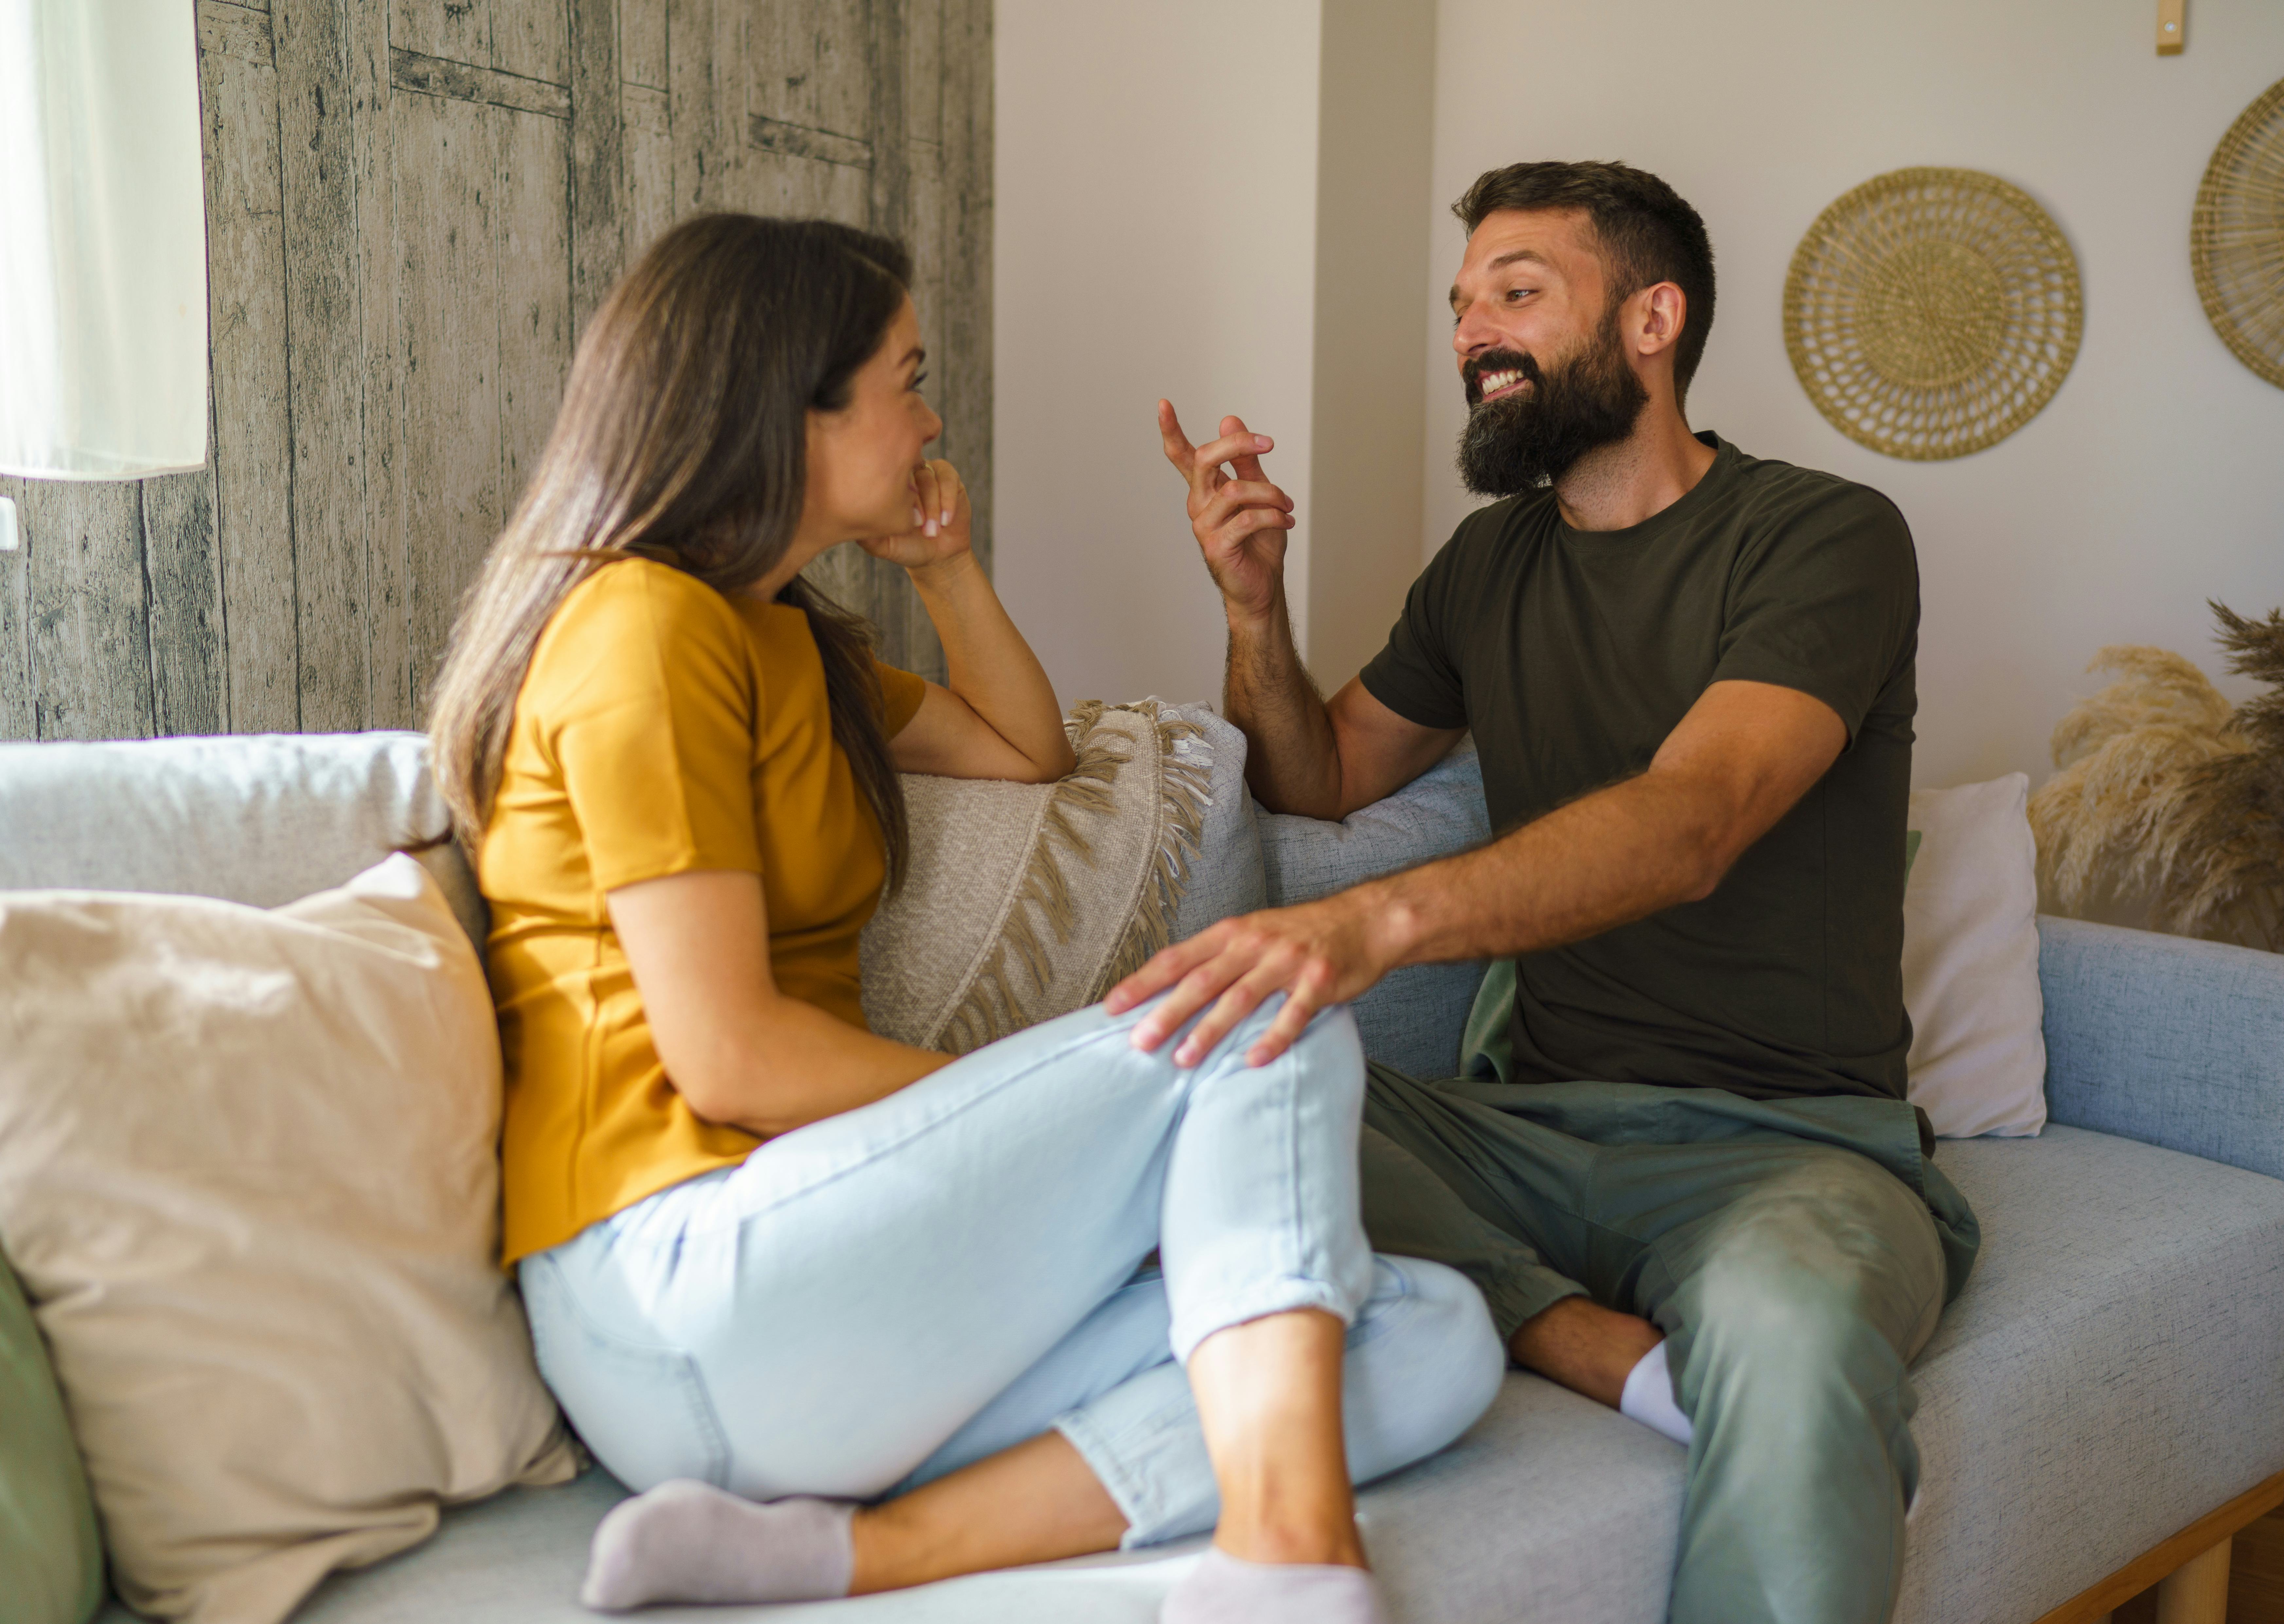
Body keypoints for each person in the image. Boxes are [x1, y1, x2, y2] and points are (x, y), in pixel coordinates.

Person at [424, 214, 1502, 1623]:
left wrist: (942, 569)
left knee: (1430, 1337)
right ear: (785, 405)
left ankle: (856, 1553)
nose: (933, 417)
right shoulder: (643, 625)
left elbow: (1022, 749)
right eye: (907, 378)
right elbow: (731, 1057)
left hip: (839, 1305)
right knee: (1267, 1004)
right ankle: (1289, 1562)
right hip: (681, 1278)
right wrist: (1091, 1162)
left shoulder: (783, 637)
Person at [1114, 161, 1981, 1624]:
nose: (1472, 334)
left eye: (1518, 292)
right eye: (1462, 307)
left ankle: (1580, 1326)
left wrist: (1377, 921)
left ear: (1654, 319)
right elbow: (1318, 774)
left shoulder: (1824, 534)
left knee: (1788, 1328)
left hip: (1780, 1145)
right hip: (1527, 1126)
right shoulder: (1485, 563)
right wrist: (1252, 605)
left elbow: (1694, 818)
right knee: (1192, 1078)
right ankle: (1586, 1338)